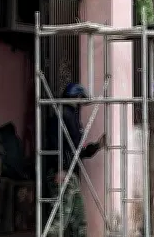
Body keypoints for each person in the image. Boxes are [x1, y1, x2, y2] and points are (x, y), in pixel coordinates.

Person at [44, 83, 106, 236]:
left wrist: (96, 146)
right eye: (80, 99)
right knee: (60, 220)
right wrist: (60, 168)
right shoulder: (62, 115)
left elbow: (79, 149)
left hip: (72, 175)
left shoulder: (73, 118)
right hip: (62, 173)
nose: (81, 103)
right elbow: (54, 143)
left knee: (79, 220)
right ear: (76, 97)